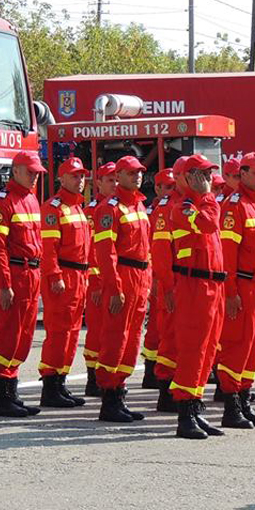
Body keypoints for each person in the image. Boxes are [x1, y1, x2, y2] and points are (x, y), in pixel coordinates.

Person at [214, 152, 255, 429]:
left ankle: (246, 400)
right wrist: (230, 293)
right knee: (237, 346)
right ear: (244, 173)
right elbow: (227, 255)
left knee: (254, 347)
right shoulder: (234, 206)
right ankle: (231, 406)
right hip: (243, 285)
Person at [167, 154, 226, 439]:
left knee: (208, 348)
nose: (209, 180)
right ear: (189, 178)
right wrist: (206, 196)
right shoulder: (184, 206)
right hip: (194, 286)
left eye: (209, 174)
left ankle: (196, 405)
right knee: (193, 349)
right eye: (203, 174)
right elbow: (208, 224)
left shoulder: (202, 203)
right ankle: (185, 414)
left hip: (212, 285)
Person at [91, 156, 151, 422]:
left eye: (139, 172)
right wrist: (114, 287)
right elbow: (106, 253)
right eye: (130, 173)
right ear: (120, 175)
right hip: (123, 276)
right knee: (116, 337)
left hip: (140, 275)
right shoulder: (110, 208)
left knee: (132, 339)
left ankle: (120, 392)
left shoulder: (138, 205)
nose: (136, 176)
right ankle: (109, 398)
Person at [0, 151, 44, 417]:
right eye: (30, 172)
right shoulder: (3, 202)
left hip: (31, 273)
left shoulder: (31, 199)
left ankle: (12, 390)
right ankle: (2, 395)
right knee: (8, 334)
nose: (34, 177)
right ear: (16, 170)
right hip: (14, 273)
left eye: (36, 173)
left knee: (24, 336)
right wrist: (4, 284)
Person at [37, 157, 90, 408]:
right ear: (62, 178)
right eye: (74, 176)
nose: (80, 181)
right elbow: (48, 249)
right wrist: (55, 276)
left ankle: (61, 382)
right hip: (64, 276)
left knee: (70, 333)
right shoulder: (54, 208)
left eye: (81, 176)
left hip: (78, 276)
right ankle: (50, 385)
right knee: (58, 333)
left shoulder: (78, 207)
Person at [146, 168, 180, 413]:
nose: (171, 191)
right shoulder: (160, 211)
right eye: (167, 187)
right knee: (165, 332)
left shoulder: (185, 207)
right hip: (166, 279)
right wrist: (159, 282)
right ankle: (161, 382)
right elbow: (157, 251)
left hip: (186, 282)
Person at [82, 163, 117, 398]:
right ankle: (92, 377)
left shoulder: (116, 208)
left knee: (111, 331)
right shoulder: (93, 210)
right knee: (96, 331)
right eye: (110, 180)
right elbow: (91, 250)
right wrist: (95, 282)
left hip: (114, 281)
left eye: (116, 179)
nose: (114, 184)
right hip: (98, 281)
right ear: (99, 183)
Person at [142, 168, 176, 391]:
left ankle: (154, 371)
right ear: (157, 188)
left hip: (165, 274)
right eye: (167, 187)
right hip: (156, 274)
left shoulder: (172, 208)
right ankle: (151, 370)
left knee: (162, 326)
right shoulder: (155, 211)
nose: (171, 191)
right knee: (157, 327)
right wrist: (153, 278)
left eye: (174, 186)